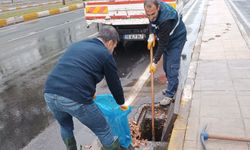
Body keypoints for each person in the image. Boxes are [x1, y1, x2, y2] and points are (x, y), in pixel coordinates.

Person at [44, 25, 125, 150]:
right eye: (114, 47)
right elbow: (114, 84)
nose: (113, 51)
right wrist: (121, 102)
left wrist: (91, 92)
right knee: (104, 130)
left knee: (65, 127)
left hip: (49, 92)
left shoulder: (77, 45)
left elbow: (78, 70)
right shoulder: (105, 54)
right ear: (110, 42)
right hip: (75, 97)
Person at [144, 0, 187, 106]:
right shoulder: (152, 10)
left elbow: (163, 43)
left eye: (153, 14)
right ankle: (171, 87)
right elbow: (152, 23)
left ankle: (170, 94)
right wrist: (151, 34)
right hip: (167, 37)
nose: (150, 17)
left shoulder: (165, 19)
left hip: (177, 38)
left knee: (171, 66)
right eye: (147, 14)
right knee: (166, 66)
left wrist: (154, 61)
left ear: (158, 8)